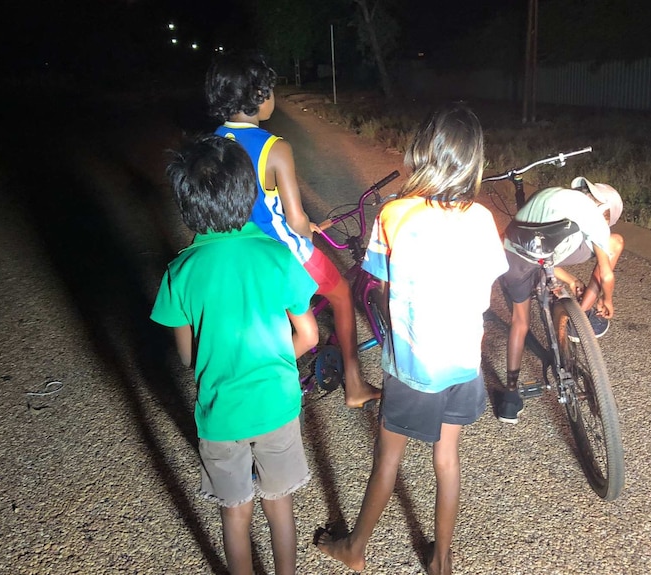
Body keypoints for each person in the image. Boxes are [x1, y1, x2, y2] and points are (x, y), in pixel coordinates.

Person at [316, 103, 508, 575]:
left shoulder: (394, 213)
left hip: (413, 365)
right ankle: (441, 561)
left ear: (423, 153)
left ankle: (354, 549)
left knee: (387, 461)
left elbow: (378, 287)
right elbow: (484, 293)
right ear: (473, 162)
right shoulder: (483, 220)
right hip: (463, 362)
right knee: (447, 459)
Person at [150, 134, 319, 575]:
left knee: (235, 512)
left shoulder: (180, 271)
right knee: (279, 506)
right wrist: (277, 362)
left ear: (186, 205)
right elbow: (309, 334)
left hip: (220, 414)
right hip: (277, 405)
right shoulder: (277, 255)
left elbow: (188, 358)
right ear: (249, 195)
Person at [205, 50, 381, 409]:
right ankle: (353, 384)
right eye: (269, 90)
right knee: (343, 294)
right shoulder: (274, 148)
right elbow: (297, 220)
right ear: (256, 96)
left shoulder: (212, 144)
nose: (273, 97)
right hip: (282, 253)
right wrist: (305, 229)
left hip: (237, 253)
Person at [495, 176, 625, 424]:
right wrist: (607, 300)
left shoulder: (549, 193)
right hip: (541, 254)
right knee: (615, 243)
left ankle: (510, 399)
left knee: (520, 322)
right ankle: (582, 314)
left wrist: (571, 280)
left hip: (513, 257)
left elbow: (540, 254)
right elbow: (606, 274)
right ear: (605, 212)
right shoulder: (595, 218)